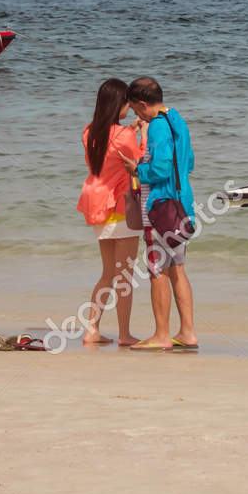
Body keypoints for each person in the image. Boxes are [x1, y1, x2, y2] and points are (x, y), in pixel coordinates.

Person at [122, 76, 199, 352]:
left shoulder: (156, 126)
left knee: (157, 270)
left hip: (160, 207)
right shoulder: (176, 118)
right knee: (177, 268)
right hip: (183, 205)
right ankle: (187, 332)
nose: (135, 114)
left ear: (143, 104)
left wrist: (137, 170)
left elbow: (161, 169)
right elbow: (188, 162)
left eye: (134, 109)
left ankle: (161, 335)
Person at [78, 78, 146, 347]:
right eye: (127, 102)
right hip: (120, 206)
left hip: (97, 204)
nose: (129, 106)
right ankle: (125, 334)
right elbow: (137, 161)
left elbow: (111, 148)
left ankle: (92, 328)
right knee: (125, 275)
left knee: (107, 272)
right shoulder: (124, 136)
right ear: (119, 103)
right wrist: (143, 134)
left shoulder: (88, 131)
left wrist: (129, 130)